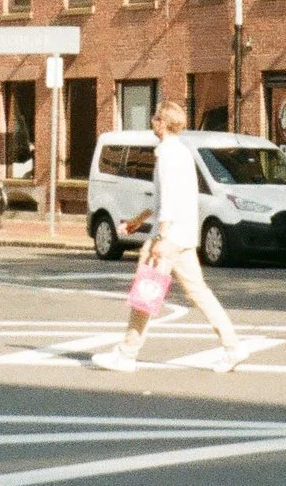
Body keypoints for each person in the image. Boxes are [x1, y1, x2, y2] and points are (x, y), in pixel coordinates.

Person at [93, 101, 251, 374]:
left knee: (145, 294)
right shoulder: (183, 153)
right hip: (185, 237)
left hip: (168, 239)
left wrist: (161, 237)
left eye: (155, 118)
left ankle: (126, 354)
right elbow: (168, 199)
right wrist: (136, 222)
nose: (152, 122)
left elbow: (168, 201)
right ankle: (233, 346)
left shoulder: (166, 155)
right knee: (200, 293)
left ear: (161, 124)